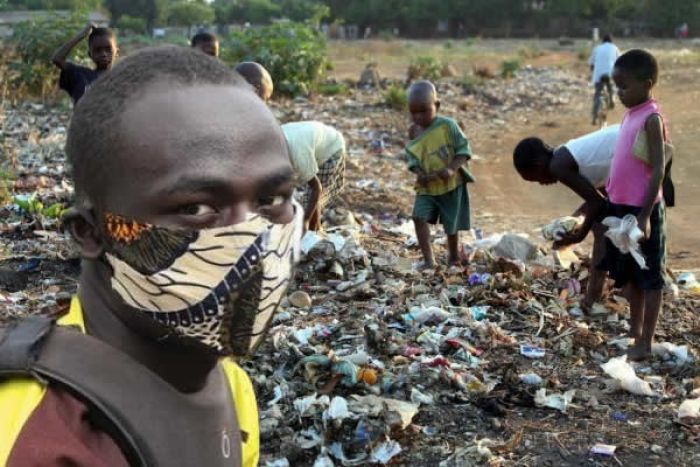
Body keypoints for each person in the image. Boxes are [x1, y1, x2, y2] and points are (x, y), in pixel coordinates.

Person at [0, 47, 303, 466]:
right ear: (91, 233)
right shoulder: (40, 436)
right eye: (196, 208)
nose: (253, 240)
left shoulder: (228, 384)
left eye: (271, 199)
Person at [601, 49, 669, 360]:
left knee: (650, 275)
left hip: (642, 211)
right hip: (622, 207)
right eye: (616, 87)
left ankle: (646, 341)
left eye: (624, 86)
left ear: (647, 83)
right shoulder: (630, 114)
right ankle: (634, 330)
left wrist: (644, 216)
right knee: (630, 274)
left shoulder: (651, 118)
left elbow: (658, 167)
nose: (619, 93)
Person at [513, 124, 619, 310]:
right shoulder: (565, 154)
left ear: (538, 166)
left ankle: (592, 298)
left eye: (536, 179)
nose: (541, 183)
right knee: (612, 224)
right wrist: (573, 221)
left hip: (632, 145)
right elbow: (601, 197)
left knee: (601, 229)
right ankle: (622, 287)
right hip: (631, 142)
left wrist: (578, 236)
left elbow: (597, 203)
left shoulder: (558, 166)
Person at [405, 80, 474, 268]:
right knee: (419, 217)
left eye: (424, 110)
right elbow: (412, 156)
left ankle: (453, 257)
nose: (418, 117)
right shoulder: (414, 131)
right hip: (427, 186)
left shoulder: (448, 126)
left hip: (450, 184)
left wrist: (452, 168)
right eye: (414, 112)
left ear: (437, 105)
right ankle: (429, 261)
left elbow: (464, 150)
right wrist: (418, 171)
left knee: (450, 224)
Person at [281, 121, 346, 231]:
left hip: (332, 148)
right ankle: (314, 230)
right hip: (312, 141)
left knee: (308, 203)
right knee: (308, 201)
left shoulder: (298, 154)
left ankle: (312, 231)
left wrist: (305, 220)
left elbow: (316, 188)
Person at [51, 23, 117, 104]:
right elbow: (57, 59)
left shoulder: (123, 78)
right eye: (98, 50)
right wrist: (81, 35)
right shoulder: (80, 75)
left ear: (117, 52)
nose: (104, 54)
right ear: (90, 55)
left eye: (108, 49)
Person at [589, 34, 620, 125]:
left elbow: (591, 63)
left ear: (602, 41)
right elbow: (619, 61)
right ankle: (612, 100)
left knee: (597, 94)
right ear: (611, 41)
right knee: (611, 88)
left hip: (598, 74)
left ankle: (594, 117)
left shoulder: (597, 48)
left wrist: (593, 71)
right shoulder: (614, 48)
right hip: (610, 73)